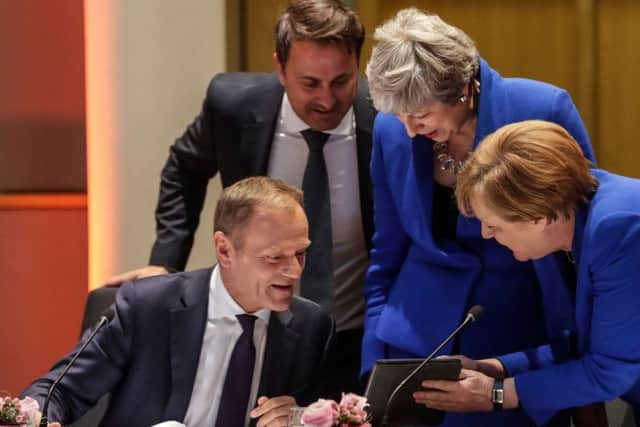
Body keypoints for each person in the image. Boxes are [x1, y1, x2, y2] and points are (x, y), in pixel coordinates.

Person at [107, 0, 376, 396]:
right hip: (258, 328)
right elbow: (184, 167)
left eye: (341, 81)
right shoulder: (233, 105)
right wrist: (165, 262)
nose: (327, 100)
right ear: (280, 70)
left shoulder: (387, 115)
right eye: (310, 83)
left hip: (354, 335)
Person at [362, 8, 596, 427]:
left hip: (520, 343)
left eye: (420, 115)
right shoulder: (391, 129)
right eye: (399, 116)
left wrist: (579, 355)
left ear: (460, 90)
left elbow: (580, 242)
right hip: (411, 346)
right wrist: (373, 362)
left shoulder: (544, 109)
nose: (410, 129)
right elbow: (387, 252)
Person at [22, 177, 334, 427]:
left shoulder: (311, 327)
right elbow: (58, 392)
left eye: (300, 253)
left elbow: (324, 413)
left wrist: (300, 418)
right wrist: (37, 418)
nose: (293, 270)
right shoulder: (146, 307)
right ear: (225, 250)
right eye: (274, 257)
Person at [414, 120, 640, 427]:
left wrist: (494, 394)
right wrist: (492, 369)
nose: (485, 235)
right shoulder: (577, 220)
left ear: (539, 216)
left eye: (493, 225)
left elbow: (610, 369)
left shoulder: (618, 230)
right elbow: (583, 349)